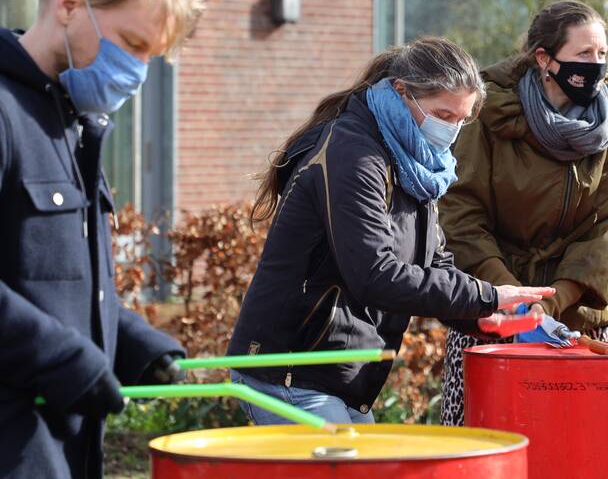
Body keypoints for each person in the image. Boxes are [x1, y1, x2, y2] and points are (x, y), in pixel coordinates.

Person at [0, 0, 204, 478]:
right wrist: (60, 357)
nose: (138, 72)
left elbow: (54, 281)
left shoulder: (66, 122)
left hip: (52, 442)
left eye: (152, 56)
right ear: (71, 3)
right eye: (133, 44)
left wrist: (135, 346)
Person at [227, 37, 554, 425]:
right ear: (402, 92)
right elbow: (375, 275)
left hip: (338, 377)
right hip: (290, 370)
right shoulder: (354, 155)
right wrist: (486, 295)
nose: (452, 130)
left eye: (462, 119)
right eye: (443, 115)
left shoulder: (416, 162)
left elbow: (435, 264)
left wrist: (482, 317)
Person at [437, 0, 608, 426]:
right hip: (493, 312)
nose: (597, 65)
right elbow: (460, 214)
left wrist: (550, 307)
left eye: (602, 54)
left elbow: (604, 233)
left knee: (585, 450)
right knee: (488, 444)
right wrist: (509, 298)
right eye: (584, 54)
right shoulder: (486, 116)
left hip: (581, 318)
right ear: (544, 59)